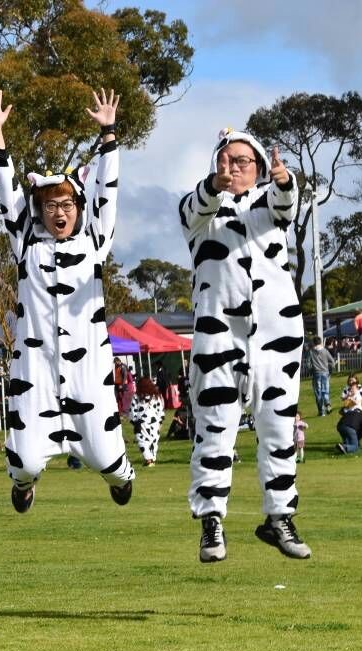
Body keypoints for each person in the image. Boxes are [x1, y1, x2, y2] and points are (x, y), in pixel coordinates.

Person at [0, 87, 135, 513]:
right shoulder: (26, 243)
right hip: (37, 372)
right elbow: (6, 189)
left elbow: (109, 191)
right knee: (25, 461)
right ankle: (23, 486)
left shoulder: (94, 241)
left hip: (89, 372)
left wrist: (109, 134)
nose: (59, 211)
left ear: (77, 205)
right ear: (39, 210)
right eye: (50, 205)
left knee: (108, 459)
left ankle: (122, 479)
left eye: (66, 202)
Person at [180, 125, 310, 563]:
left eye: (242, 162)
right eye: (226, 161)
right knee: (215, 430)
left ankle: (279, 518)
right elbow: (192, 208)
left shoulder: (267, 205)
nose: (233, 169)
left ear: (257, 167)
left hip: (277, 336)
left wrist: (285, 180)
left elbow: (285, 204)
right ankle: (211, 522)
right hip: (218, 336)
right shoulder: (201, 212)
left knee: (279, 431)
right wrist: (211, 186)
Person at [128, 377, 165, 467]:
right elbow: (160, 410)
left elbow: (133, 411)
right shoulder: (156, 396)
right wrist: (160, 421)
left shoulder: (137, 396)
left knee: (143, 441)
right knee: (153, 441)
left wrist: (134, 421)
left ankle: (148, 460)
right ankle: (152, 459)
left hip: (142, 422)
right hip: (154, 422)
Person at [305, 336, 338, 416]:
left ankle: (321, 411)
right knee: (325, 390)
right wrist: (329, 368)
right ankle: (327, 403)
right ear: (320, 342)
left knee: (318, 392)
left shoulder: (311, 352)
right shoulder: (325, 351)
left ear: (313, 343)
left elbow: (308, 363)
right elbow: (332, 362)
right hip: (325, 372)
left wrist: (311, 370)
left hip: (316, 373)